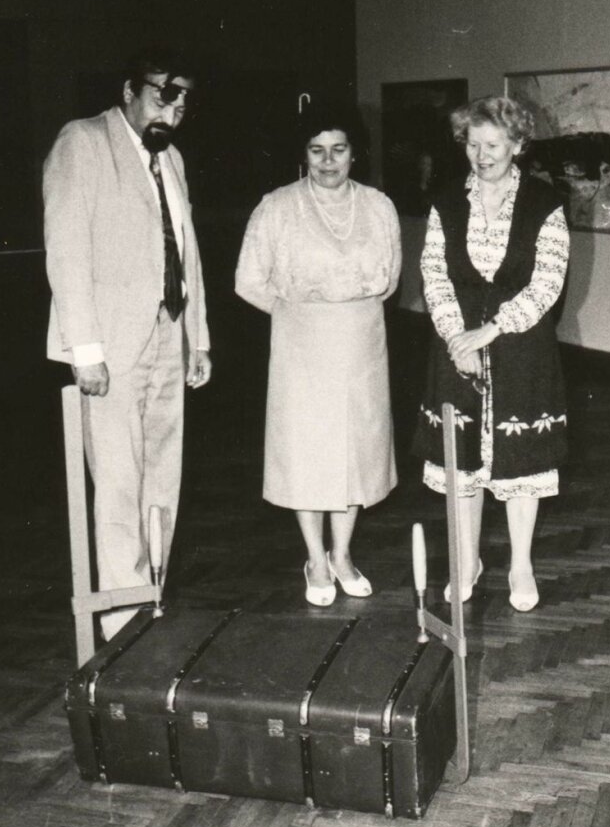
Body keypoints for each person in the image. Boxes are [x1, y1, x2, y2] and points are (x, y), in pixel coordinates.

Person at [44, 47, 212, 640]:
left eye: (183, 102)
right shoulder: (83, 142)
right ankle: (121, 620)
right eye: (163, 96)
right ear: (128, 91)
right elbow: (66, 250)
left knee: (163, 477)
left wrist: (197, 338)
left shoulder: (172, 159)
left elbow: (187, 251)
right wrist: (85, 350)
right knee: (118, 483)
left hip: (169, 333)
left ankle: (152, 597)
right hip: (110, 346)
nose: (173, 111)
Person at [235, 101, 401, 606]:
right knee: (307, 452)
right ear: (303, 154)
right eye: (317, 150)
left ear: (355, 152)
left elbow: (390, 281)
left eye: (339, 149)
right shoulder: (277, 206)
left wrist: (346, 310)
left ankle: (343, 554)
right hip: (301, 346)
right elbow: (247, 281)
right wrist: (297, 314)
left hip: (361, 344)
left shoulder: (379, 206)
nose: (329, 161)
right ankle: (314, 558)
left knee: (356, 451)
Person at [411, 95, 570, 613]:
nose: (481, 156)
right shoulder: (446, 202)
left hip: (522, 349)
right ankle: (468, 561)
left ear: (518, 145)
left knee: (521, 465)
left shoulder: (544, 203)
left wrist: (490, 331)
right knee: (462, 465)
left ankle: (520, 565)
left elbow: (547, 283)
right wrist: (457, 337)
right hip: (456, 346)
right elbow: (434, 275)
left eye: (493, 145)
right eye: (473, 145)